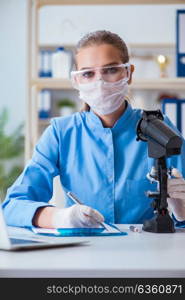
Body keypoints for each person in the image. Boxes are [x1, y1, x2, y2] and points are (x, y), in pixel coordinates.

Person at [2, 30, 185, 229]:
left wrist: (182, 212)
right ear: (76, 80)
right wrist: (60, 218)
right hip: (82, 251)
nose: (100, 82)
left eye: (111, 70)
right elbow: (13, 206)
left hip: (150, 253)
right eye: (88, 73)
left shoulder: (159, 127)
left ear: (129, 73)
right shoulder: (61, 133)